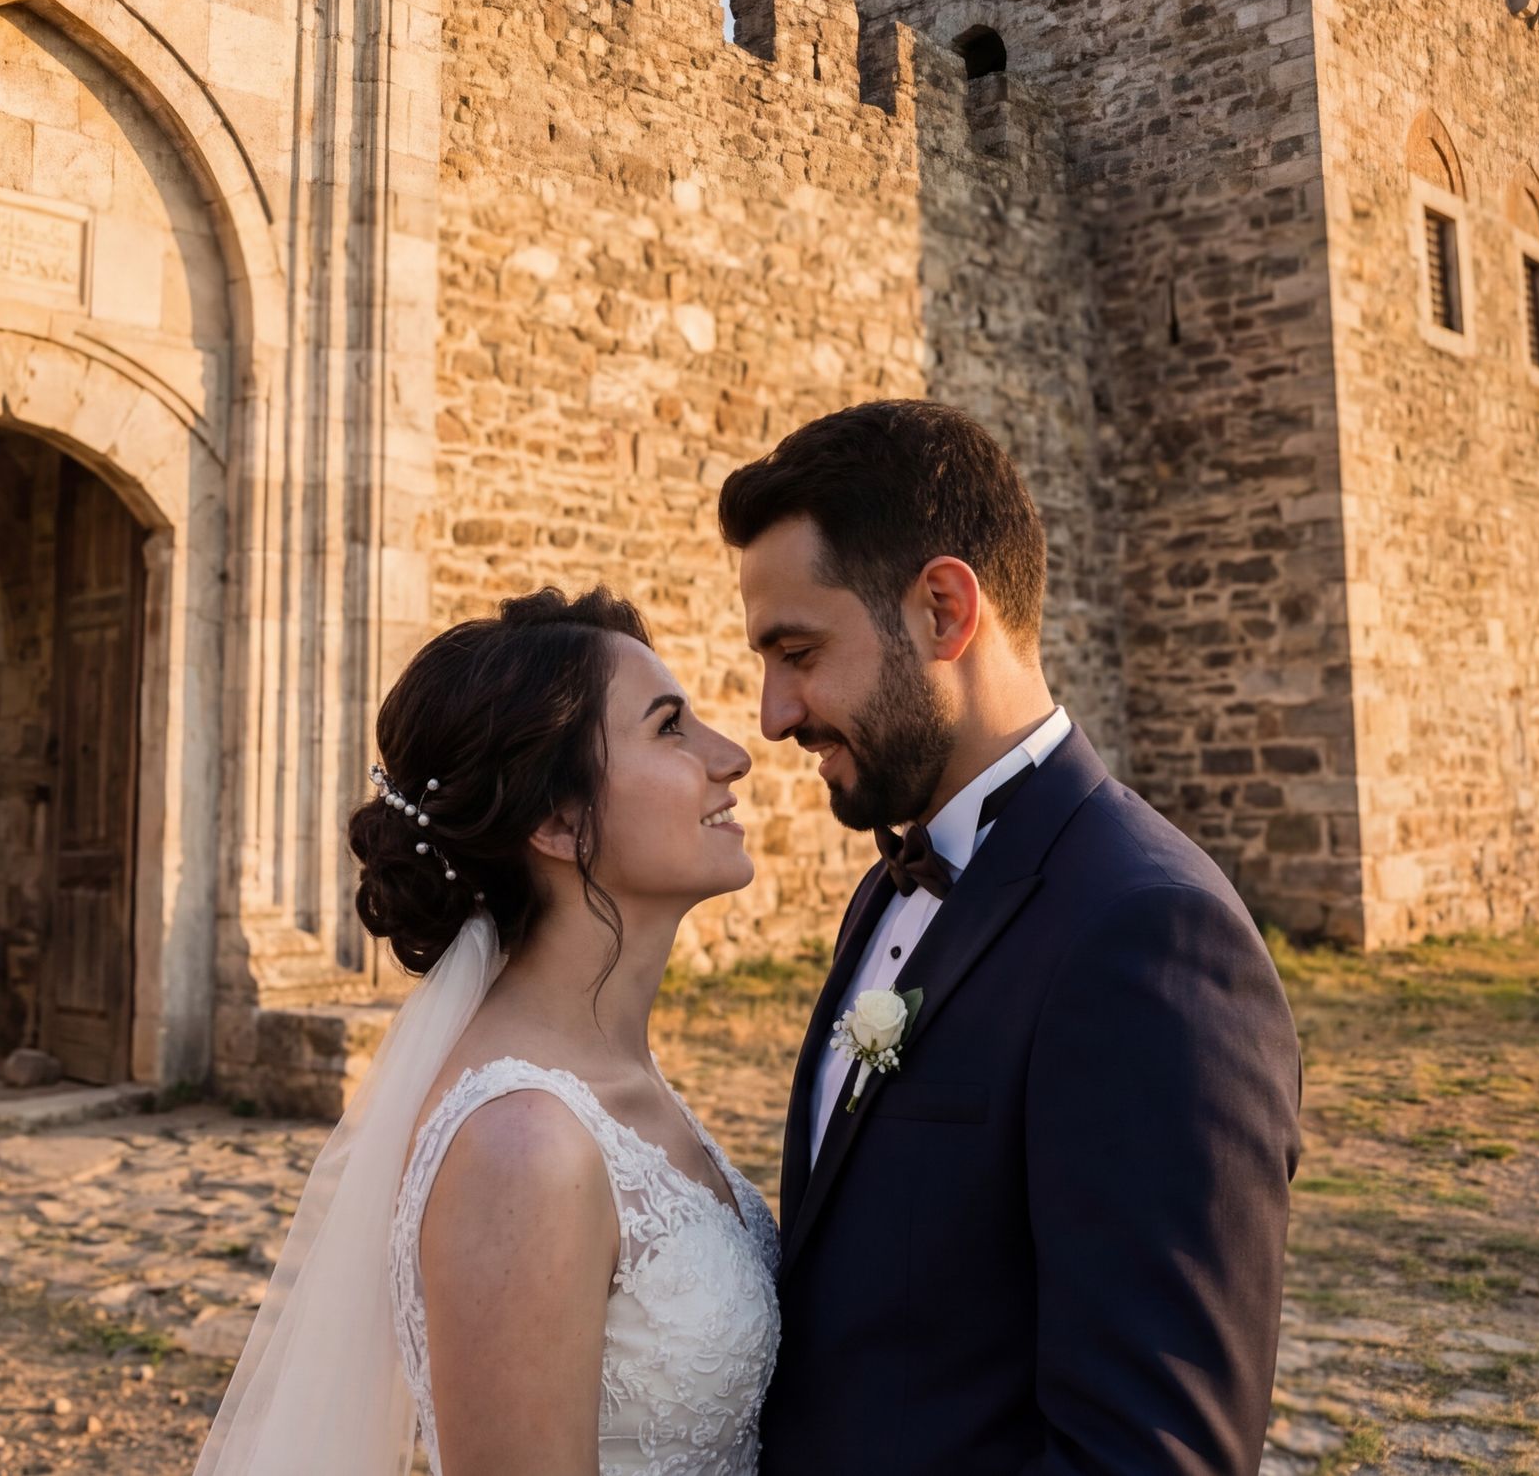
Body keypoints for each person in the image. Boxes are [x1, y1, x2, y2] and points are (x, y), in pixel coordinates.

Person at [725, 399, 1304, 1476]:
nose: (771, 713)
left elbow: (1147, 1454)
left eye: (798, 652)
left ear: (945, 610)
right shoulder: (886, 890)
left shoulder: (1150, 937)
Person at [196, 587, 781, 1476]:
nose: (731, 755)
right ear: (557, 820)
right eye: (669, 728)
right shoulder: (522, 1144)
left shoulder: (611, 1071)